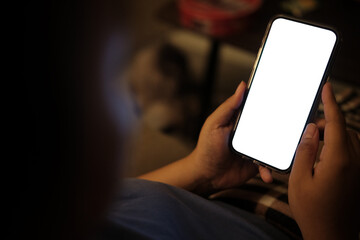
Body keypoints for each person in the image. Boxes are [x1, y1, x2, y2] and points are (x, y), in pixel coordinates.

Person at [24, 1, 360, 239]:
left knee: (336, 111)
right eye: (111, 79)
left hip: (230, 192)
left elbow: (125, 200)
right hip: (307, 220)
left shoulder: (69, 213)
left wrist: (202, 171)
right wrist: (331, 230)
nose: (131, 112)